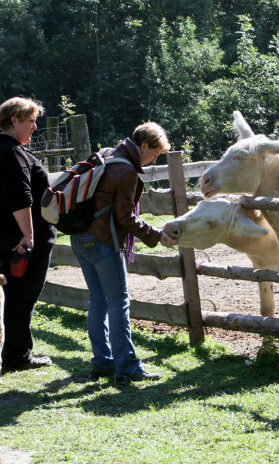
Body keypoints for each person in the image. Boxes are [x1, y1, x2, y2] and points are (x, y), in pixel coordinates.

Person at [70, 122, 178, 382]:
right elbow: (125, 218)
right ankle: (127, 366)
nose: (154, 160)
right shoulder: (126, 170)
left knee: (97, 300)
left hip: (80, 236)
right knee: (118, 302)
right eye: (155, 153)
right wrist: (155, 235)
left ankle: (103, 361)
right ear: (143, 146)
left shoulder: (107, 154)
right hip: (103, 241)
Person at [0, 96, 55, 371]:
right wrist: (28, 236)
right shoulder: (12, 153)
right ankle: (18, 355)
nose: (35, 127)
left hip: (4, 235)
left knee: (15, 296)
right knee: (22, 297)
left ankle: (12, 351)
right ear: (14, 120)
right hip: (18, 239)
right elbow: (20, 197)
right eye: (30, 121)